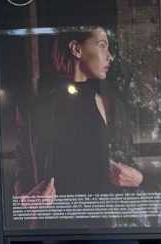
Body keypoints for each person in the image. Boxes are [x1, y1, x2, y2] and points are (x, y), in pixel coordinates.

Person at [14, 26, 142, 210]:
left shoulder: (113, 107)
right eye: (102, 46)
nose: (110, 56)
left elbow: (131, 163)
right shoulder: (31, 110)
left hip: (103, 219)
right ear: (76, 49)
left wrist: (139, 178)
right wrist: (28, 199)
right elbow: (22, 174)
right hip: (56, 221)